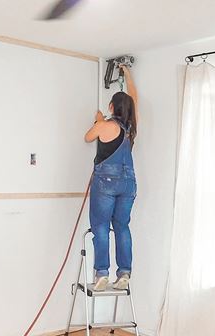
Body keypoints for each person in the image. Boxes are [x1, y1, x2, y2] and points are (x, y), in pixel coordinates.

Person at [84, 65, 138, 291]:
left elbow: (88, 137)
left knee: (101, 227)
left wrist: (98, 120)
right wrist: (127, 74)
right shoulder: (131, 128)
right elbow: (133, 99)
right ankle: (124, 273)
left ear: (111, 107)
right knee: (122, 226)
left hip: (106, 183)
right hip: (128, 184)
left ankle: (102, 274)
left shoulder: (104, 126)